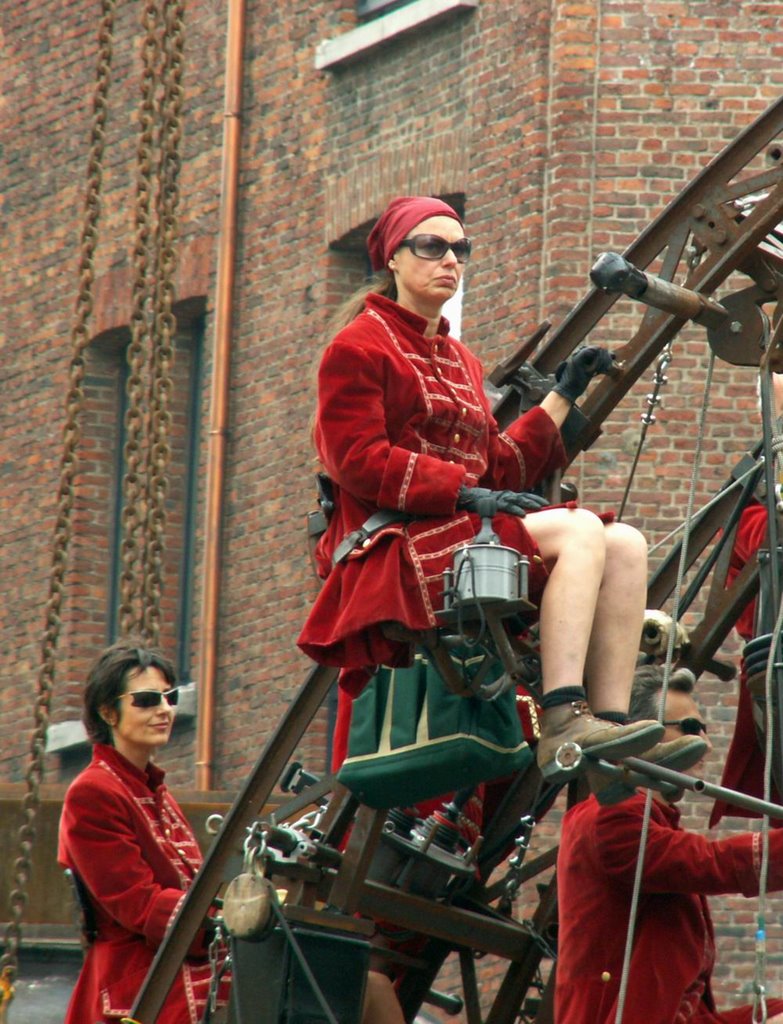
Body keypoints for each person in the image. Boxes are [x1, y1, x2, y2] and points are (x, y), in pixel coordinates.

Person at [297, 194, 704, 784]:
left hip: (460, 532)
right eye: (432, 247)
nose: (450, 261)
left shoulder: (460, 358)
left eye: (459, 249)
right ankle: (565, 716)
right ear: (393, 257)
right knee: (581, 529)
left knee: (626, 545)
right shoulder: (358, 346)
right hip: (397, 550)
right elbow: (356, 459)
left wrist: (563, 394)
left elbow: (498, 468)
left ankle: (611, 733)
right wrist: (462, 494)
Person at [555, 664, 783, 1024]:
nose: (704, 745)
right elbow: (710, 863)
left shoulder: (651, 825)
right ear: (638, 737)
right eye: (689, 730)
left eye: (704, 730)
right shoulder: (608, 817)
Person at [58, 638, 230, 1024]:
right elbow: (139, 904)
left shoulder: (154, 791)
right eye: (147, 700)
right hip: (143, 982)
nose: (164, 710)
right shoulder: (93, 791)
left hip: (185, 960)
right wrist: (225, 920)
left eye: (169, 697)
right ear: (108, 712)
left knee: (362, 984)